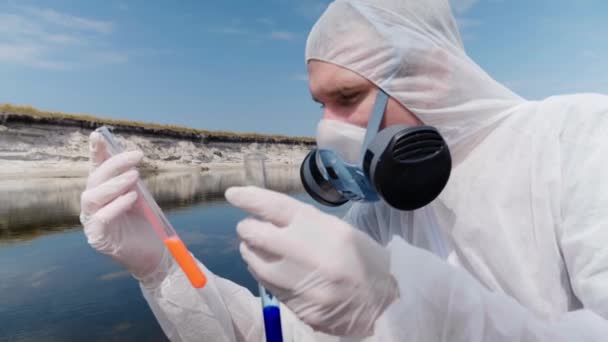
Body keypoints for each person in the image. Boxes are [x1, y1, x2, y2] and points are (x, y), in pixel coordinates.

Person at [79, 0, 608, 340]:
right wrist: (163, 267)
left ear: (434, 74)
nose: (327, 129)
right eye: (320, 103)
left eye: (348, 97)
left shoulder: (578, 137)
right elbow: (272, 335)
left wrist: (401, 307)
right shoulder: (374, 214)